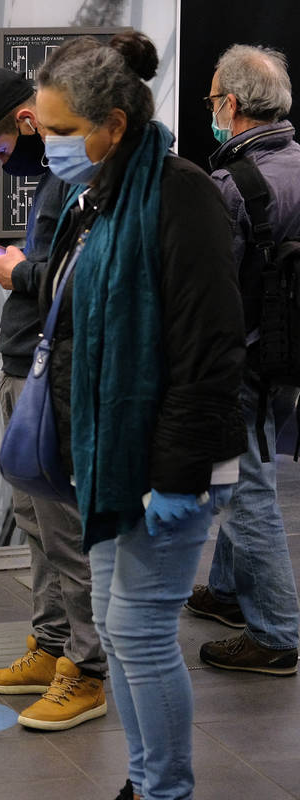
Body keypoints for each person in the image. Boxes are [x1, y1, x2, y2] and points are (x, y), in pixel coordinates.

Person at [35, 33, 245, 800]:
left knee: (138, 633)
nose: (52, 147)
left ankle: (164, 790)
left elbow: (210, 346)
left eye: (63, 132)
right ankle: (144, 778)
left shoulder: (181, 193)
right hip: (111, 455)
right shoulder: (103, 198)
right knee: (122, 636)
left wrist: (180, 475)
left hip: (173, 461)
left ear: (114, 125)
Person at [0, 69, 106, 731]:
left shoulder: (84, 182)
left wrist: (20, 270)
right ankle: (50, 646)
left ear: (24, 119)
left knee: (63, 525)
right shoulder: (53, 181)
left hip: (58, 369)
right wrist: (17, 263)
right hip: (29, 361)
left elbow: (87, 278)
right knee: (35, 516)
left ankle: (89, 665)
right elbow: (56, 266)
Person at [186, 43, 300, 676]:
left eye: (212, 102)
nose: (211, 112)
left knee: (245, 486)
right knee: (251, 473)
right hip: (288, 356)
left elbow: (209, 288)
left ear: (229, 105)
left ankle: (276, 632)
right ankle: (230, 594)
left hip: (242, 359)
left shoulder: (231, 187)